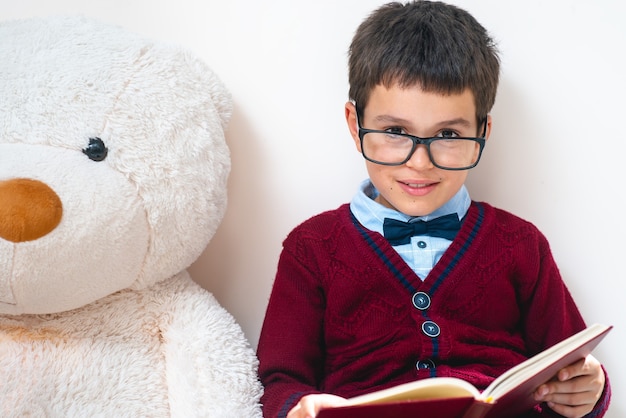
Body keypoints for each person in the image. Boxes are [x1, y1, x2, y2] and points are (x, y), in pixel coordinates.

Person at [256, 1, 612, 417]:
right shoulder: (312, 248)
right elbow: (278, 381)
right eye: (394, 132)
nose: (419, 163)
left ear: (483, 132)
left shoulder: (521, 244)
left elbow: (570, 366)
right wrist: (296, 407)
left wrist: (588, 392)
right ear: (355, 125)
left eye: (446, 133)